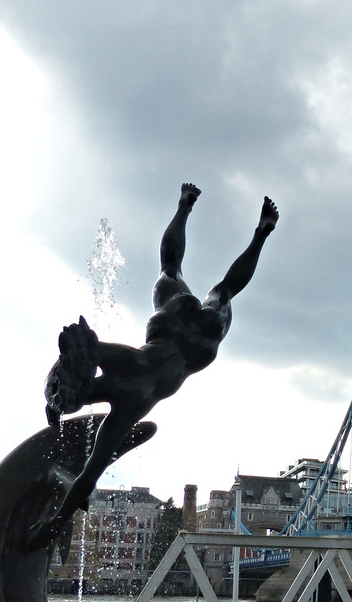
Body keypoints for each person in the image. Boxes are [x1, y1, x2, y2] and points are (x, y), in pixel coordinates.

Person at [29, 184, 279, 549]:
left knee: (211, 285)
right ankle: (206, 214)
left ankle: (226, 222)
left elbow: (88, 477)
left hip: (191, 342)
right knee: (196, 279)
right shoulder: (117, 362)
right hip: (183, 329)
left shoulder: (126, 407)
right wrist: (57, 395)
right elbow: (82, 350)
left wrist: (51, 528)